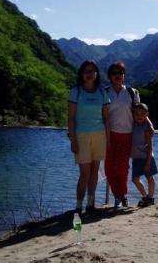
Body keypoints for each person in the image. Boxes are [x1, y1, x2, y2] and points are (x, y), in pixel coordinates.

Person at [68, 60, 110, 215]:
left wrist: (109, 140)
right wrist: (73, 140)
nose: (89, 73)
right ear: (82, 74)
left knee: (94, 171)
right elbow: (71, 118)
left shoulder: (102, 93)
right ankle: (78, 206)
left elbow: (106, 119)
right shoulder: (76, 92)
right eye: (86, 71)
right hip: (82, 135)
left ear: (96, 73)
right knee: (84, 173)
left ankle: (90, 204)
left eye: (92, 70)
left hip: (100, 135)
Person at [104, 62, 140, 208]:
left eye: (120, 72)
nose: (117, 75)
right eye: (114, 73)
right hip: (109, 134)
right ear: (110, 77)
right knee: (108, 168)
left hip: (127, 134)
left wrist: (148, 127)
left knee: (122, 167)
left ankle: (122, 196)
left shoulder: (132, 92)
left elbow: (140, 114)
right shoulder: (105, 93)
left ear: (124, 75)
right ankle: (118, 195)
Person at [131, 103, 158, 207]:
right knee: (135, 179)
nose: (139, 116)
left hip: (146, 157)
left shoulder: (147, 127)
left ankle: (150, 197)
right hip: (136, 157)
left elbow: (150, 146)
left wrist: (148, 162)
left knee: (149, 177)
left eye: (142, 114)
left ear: (147, 115)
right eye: (137, 113)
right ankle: (145, 196)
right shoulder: (133, 123)